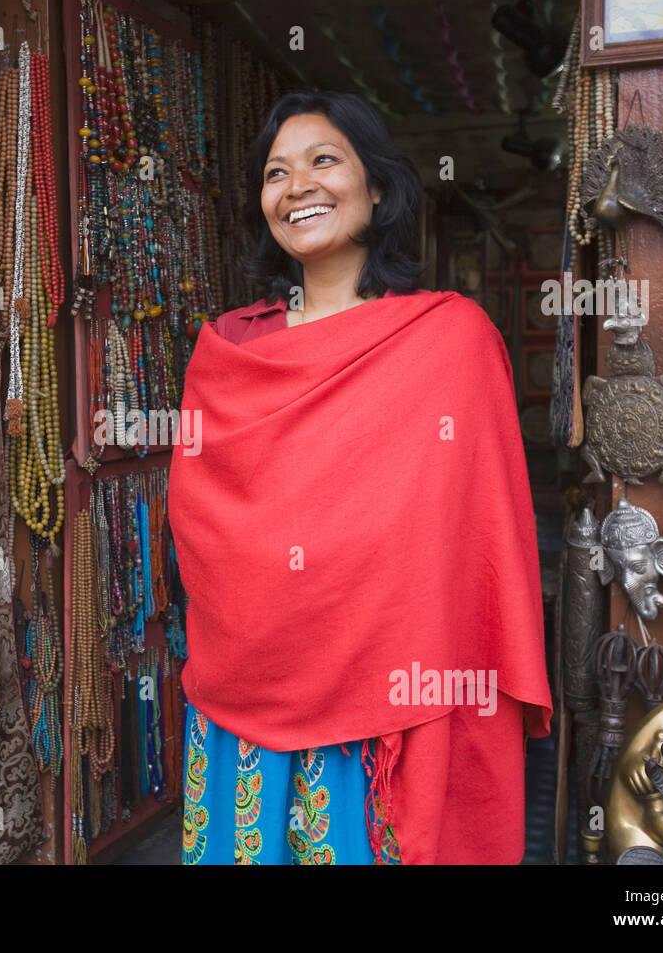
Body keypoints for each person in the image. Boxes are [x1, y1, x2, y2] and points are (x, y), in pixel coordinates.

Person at [168, 90, 553, 865]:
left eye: (324, 161)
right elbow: (203, 522)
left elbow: (476, 532)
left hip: (388, 694)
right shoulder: (229, 351)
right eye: (276, 173)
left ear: (376, 186)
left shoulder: (449, 339)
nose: (298, 186)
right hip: (247, 685)